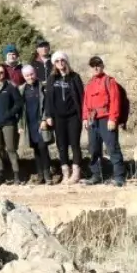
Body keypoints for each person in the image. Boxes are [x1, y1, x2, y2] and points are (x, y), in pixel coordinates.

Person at [81, 56, 125, 187]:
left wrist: (113, 119)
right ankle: (96, 175)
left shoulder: (109, 81)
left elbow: (115, 101)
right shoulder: (89, 84)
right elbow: (85, 103)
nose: (95, 67)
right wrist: (84, 118)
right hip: (92, 119)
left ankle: (119, 177)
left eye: (98, 65)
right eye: (93, 65)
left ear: (102, 66)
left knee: (112, 148)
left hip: (106, 118)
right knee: (94, 148)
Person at [44, 52, 84, 184]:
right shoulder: (52, 78)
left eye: (62, 60)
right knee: (61, 146)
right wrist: (48, 115)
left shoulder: (74, 77)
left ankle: (76, 172)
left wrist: (83, 116)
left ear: (66, 61)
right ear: (54, 64)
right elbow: (48, 99)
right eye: (57, 61)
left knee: (75, 144)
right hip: (58, 117)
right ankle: (66, 173)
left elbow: (81, 97)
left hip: (73, 116)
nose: (60, 63)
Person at [0, 63, 24, 185]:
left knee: (11, 148)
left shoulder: (11, 87)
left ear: (5, 73)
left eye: (2, 72)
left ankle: (16, 174)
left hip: (8, 123)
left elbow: (19, 104)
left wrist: (9, 114)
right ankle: (0, 174)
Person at [20, 65, 53, 185]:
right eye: (27, 75)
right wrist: (21, 125)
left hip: (41, 122)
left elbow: (48, 104)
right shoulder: (22, 89)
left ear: (35, 73)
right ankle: (40, 175)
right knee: (36, 149)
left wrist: (45, 119)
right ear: (24, 76)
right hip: (30, 123)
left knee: (43, 147)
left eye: (31, 74)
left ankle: (47, 175)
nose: (30, 77)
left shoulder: (43, 86)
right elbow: (21, 109)